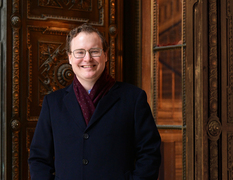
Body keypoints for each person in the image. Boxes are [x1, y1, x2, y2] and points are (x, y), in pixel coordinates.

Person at [28, 23, 161, 180]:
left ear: (105, 55)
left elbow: (150, 153)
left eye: (94, 51)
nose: (87, 58)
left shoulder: (133, 98)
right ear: (70, 57)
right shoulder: (53, 103)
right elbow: (39, 159)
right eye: (80, 52)